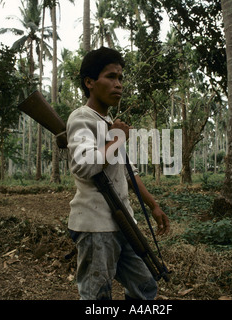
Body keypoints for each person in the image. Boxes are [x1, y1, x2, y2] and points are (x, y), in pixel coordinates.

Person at [66, 47, 170, 300]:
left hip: (124, 221)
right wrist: (116, 136)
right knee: (96, 297)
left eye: (121, 78)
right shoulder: (82, 118)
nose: (118, 84)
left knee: (145, 285)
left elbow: (128, 172)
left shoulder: (109, 122)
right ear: (89, 82)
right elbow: (84, 166)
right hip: (95, 225)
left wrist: (154, 206)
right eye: (111, 77)